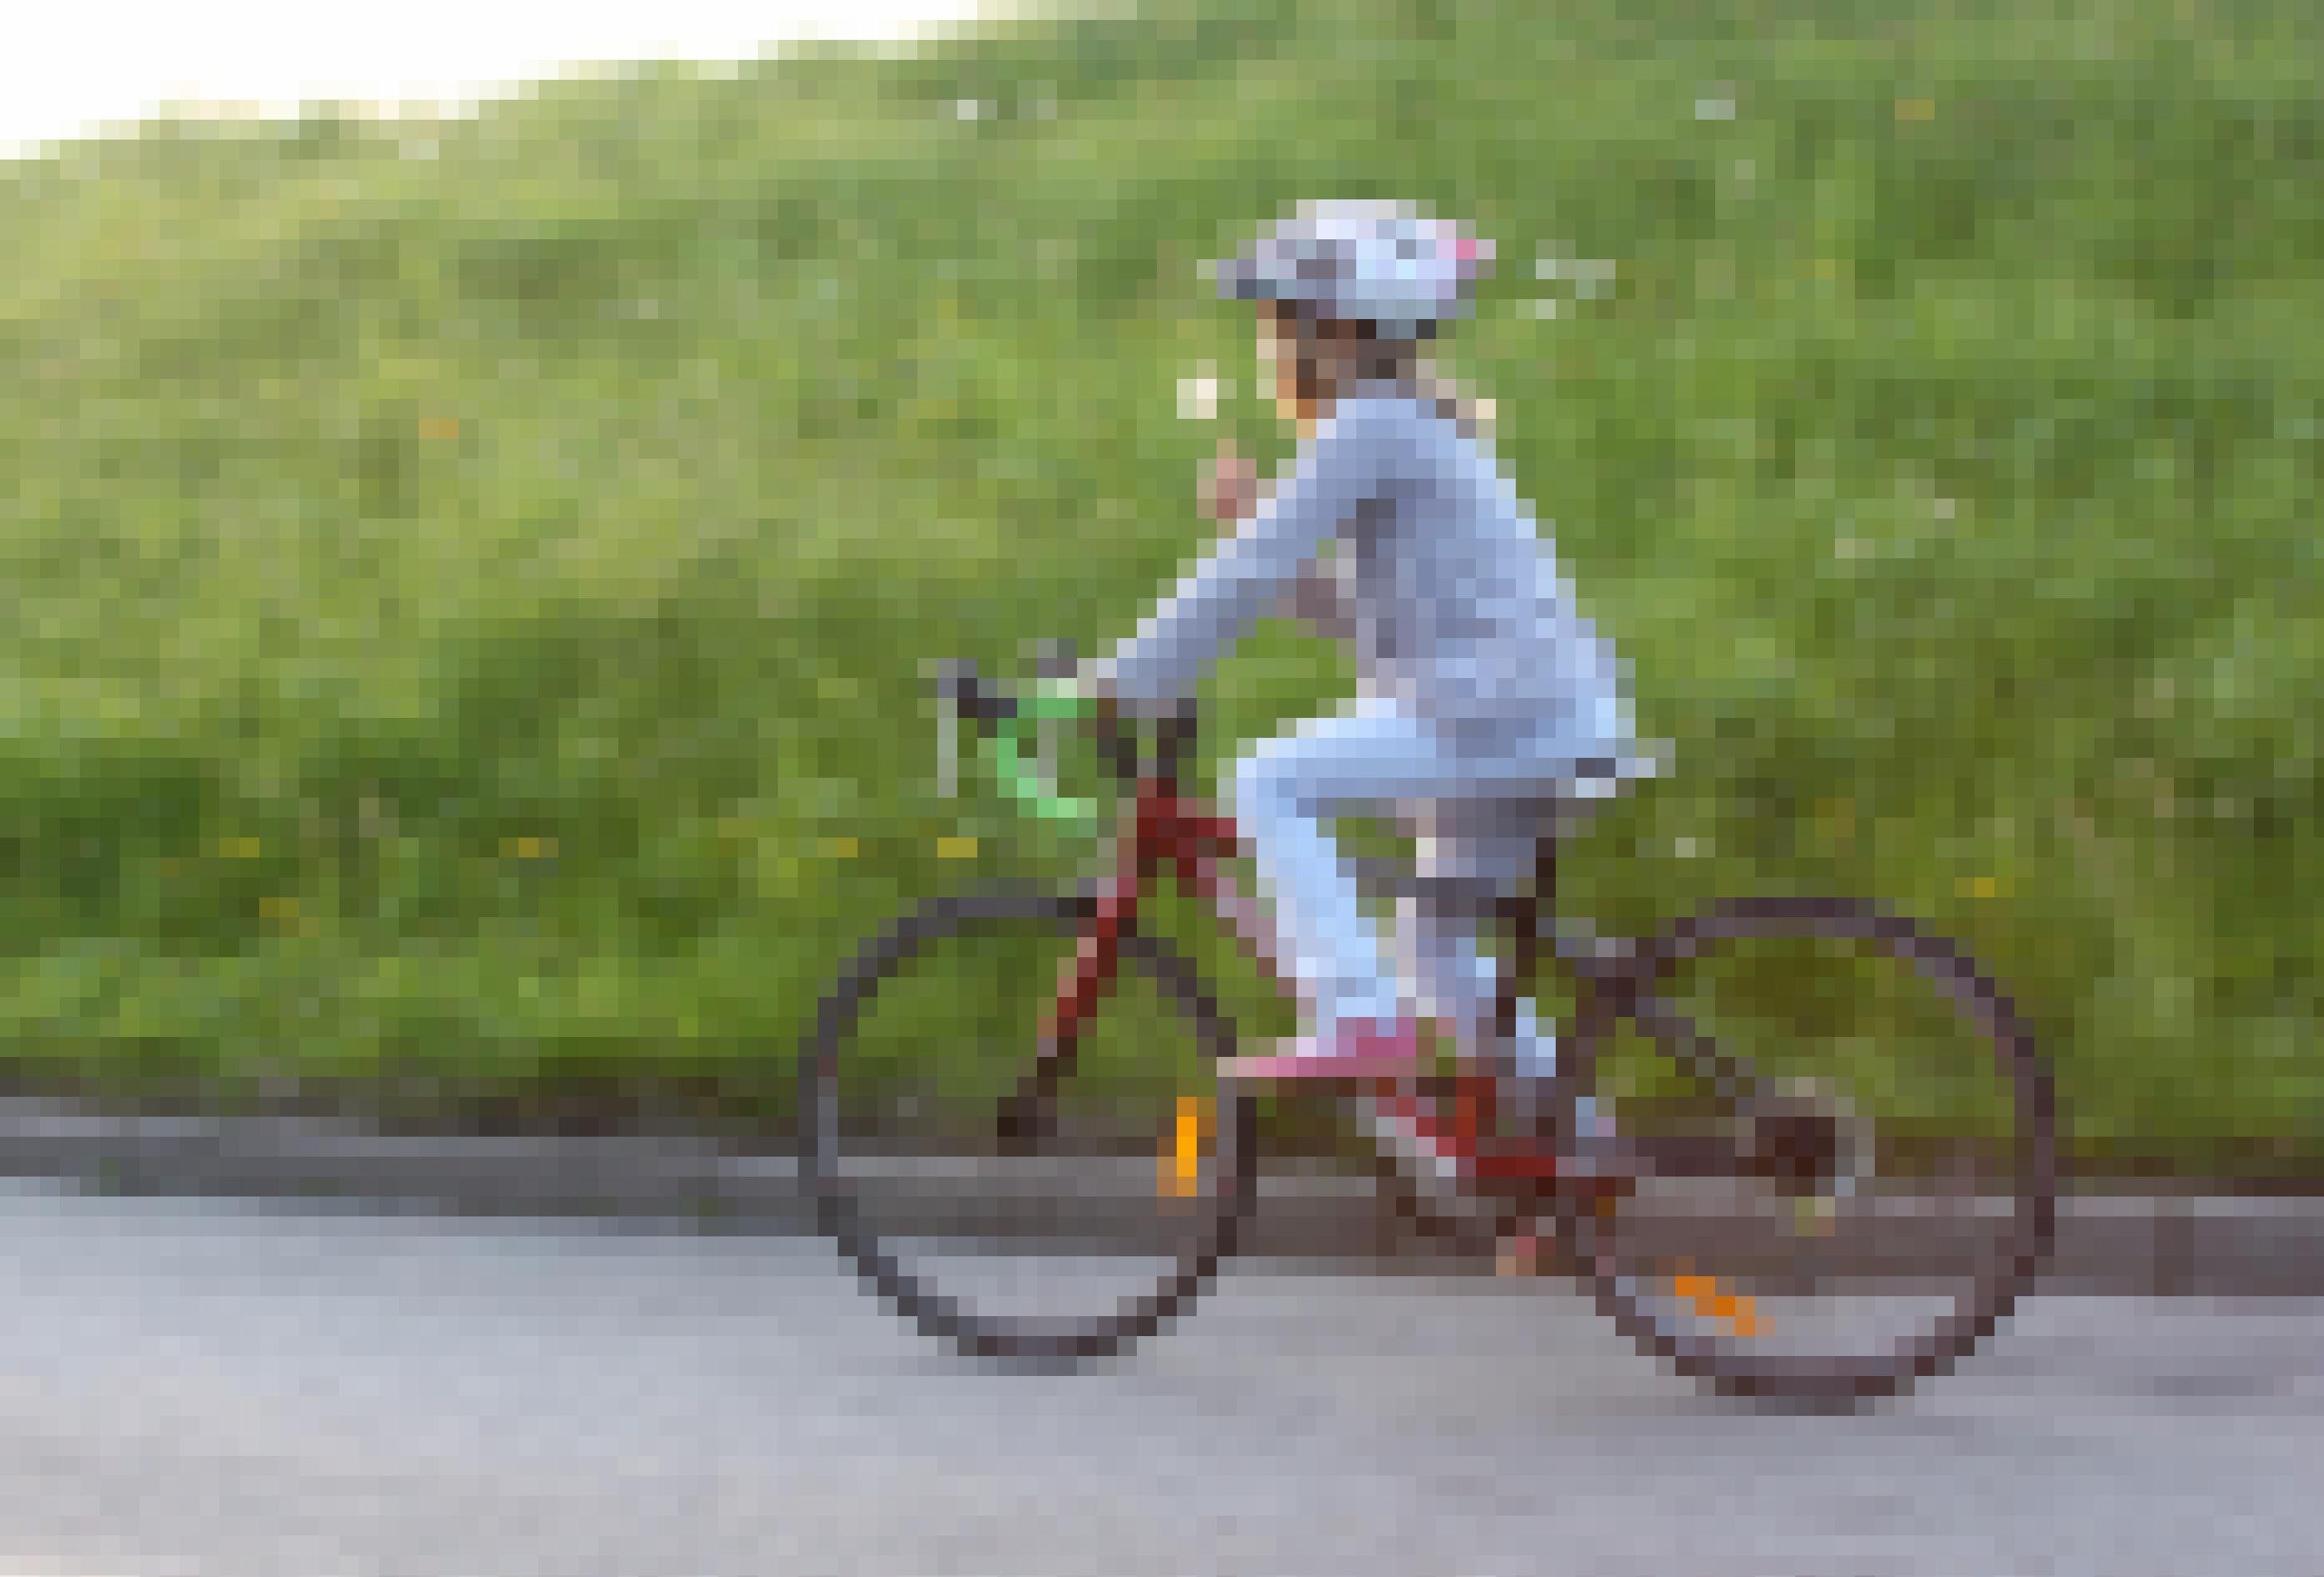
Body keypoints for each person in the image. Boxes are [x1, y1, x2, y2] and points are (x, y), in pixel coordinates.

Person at [1076, 199, 1655, 1089]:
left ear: (1333, 331)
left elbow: (1251, 572)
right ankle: (1576, 1155)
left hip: (1499, 713)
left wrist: (1125, 680)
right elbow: (1361, 612)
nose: (1271, 343)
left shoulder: (1372, 428)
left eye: (1281, 323)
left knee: (1270, 779)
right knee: (1436, 950)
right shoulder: (1403, 426)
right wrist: (1250, 525)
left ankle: (1356, 1014)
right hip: (1526, 710)